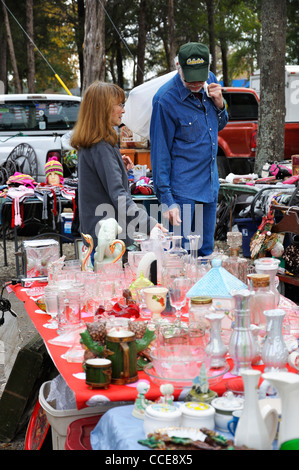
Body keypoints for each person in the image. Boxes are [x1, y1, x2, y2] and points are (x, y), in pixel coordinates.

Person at [150, 42, 228, 255]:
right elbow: (159, 154)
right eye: (190, 78)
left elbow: (219, 125)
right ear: (178, 67)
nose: (196, 84)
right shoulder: (164, 100)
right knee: (181, 255)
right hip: (182, 193)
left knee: (205, 252)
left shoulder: (211, 80)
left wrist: (220, 105)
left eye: (200, 78)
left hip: (209, 186)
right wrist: (168, 201)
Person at [70, 81, 165, 256]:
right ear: (104, 108)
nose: (123, 110)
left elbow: (100, 182)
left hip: (99, 235)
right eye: (120, 105)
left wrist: (120, 168)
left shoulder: (93, 143)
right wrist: (149, 224)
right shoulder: (101, 146)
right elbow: (119, 196)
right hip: (107, 241)